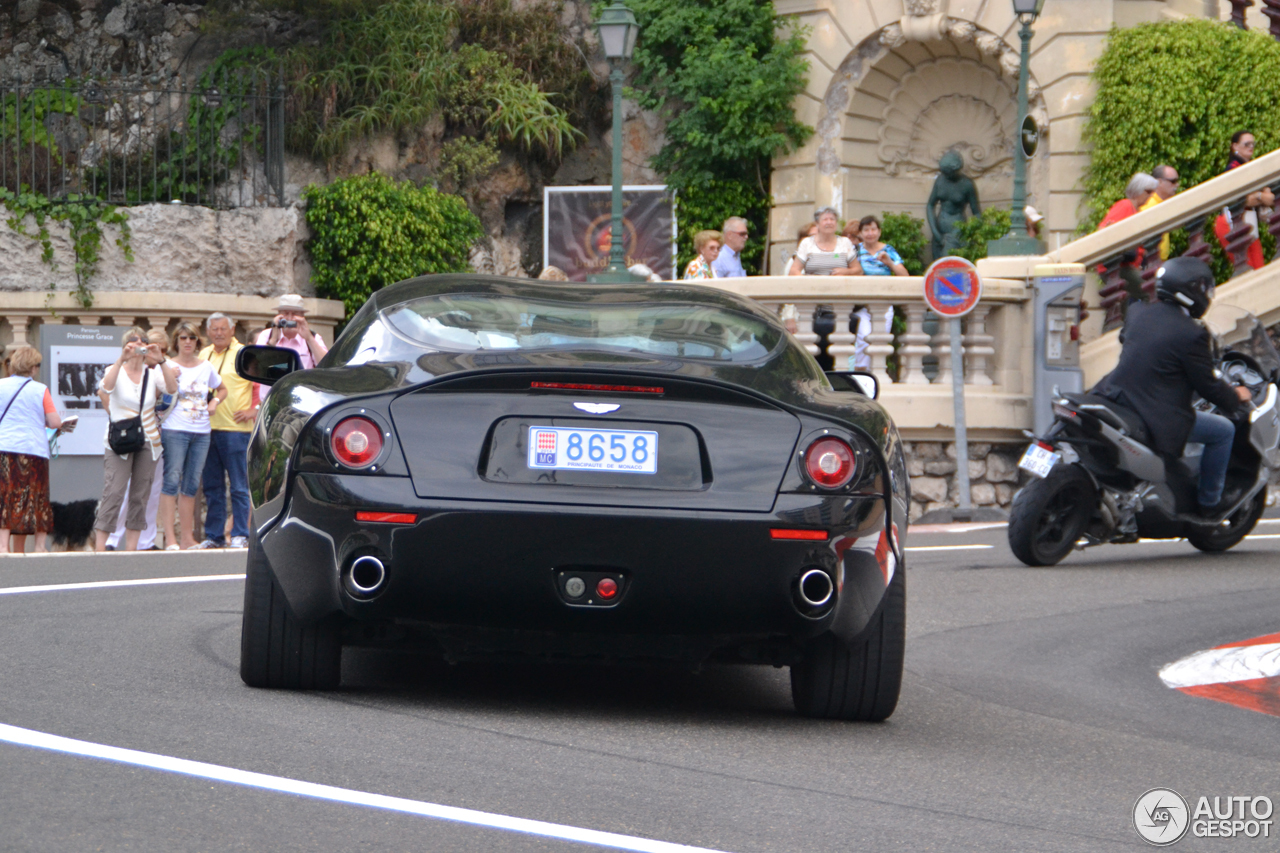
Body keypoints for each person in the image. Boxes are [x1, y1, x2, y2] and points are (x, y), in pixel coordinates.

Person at [1095, 258, 1253, 518]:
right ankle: (1209, 504)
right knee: (1223, 430)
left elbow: (1129, 338)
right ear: (1192, 291)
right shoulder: (1192, 335)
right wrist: (1236, 396)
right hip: (1154, 415)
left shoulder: (1138, 312)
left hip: (1115, 396)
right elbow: (1209, 388)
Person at [93, 328, 178, 552]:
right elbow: (105, 388)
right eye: (133, 341)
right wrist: (122, 358)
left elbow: (171, 389)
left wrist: (161, 361)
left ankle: (132, 549)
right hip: (119, 440)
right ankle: (100, 548)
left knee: (140, 495)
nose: (139, 344)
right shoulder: (115, 369)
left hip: (148, 439)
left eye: (143, 341)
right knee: (114, 491)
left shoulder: (152, 373)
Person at [156, 322, 226, 551]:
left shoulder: (206, 366)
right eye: (183, 337)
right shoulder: (167, 364)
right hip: (175, 428)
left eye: (192, 338)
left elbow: (222, 388)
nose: (188, 342)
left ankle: (186, 537)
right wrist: (169, 375)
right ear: (176, 340)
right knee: (171, 480)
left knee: (191, 484)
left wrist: (214, 401)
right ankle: (171, 538)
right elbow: (156, 394)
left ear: (198, 342)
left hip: (202, 430)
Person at [0, 346, 75, 554]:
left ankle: (3, 546)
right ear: (33, 367)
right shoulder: (40, 389)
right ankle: (40, 546)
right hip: (33, 449)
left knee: (7, 496)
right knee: (36, 496)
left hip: (4, 447)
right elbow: (54, 421)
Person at [198, 313, 256, 550]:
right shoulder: (204, 354)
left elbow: (264, 384)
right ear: (208, 332)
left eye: (223, 328)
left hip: (236, 429)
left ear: (233, 330)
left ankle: (241, 532)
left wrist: (256, 409)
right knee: (212, 487)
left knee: (239, 485)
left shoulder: (245, 354)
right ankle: (214, 535)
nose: (219, 333)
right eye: (214, 329)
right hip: (207, 428)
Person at [1214, 132, 1274, 271]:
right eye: (1247, 144)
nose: (1251, 147)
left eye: (1253, 144)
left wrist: (1258, 196)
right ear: (1235, 146)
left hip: (1247, 221)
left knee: (1257, 266)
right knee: (1249, 268)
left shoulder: (1249, 166)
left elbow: (1267, 196)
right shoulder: (1233, 168)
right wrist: (1260, 195)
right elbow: (1241, 200)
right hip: (1230, 222)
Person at [1096, 172, 1158, 302]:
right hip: (1119, 267)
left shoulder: (1136, 211)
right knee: (1151, 293)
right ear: (1138, 190)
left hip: (1128, 266)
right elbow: (1103, 230)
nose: (1151, 195)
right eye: (1149, 191)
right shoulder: (1125, 205)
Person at [254, 294, 329, 368]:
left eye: (294, 314)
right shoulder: (267, 335)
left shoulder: (313, 337)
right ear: (278, 315)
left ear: (302, 317)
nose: (289, 318)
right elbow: (257, 362)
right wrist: (273, 339)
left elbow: (326, 365)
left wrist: (309, 338)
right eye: (286, 313)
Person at [788, 208, 861, 276]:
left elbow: (858, 270)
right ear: (817, 223)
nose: (829, 222)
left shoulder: (845, 242)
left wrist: (846, 272)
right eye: (825, 219)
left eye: (832, 219)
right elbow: (794, 270)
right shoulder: (807, 243)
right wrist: (807, 282)